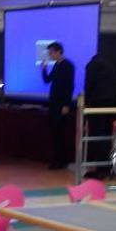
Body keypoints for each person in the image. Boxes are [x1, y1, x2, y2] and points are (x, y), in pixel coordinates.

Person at [84, 54, 116, 179]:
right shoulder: (112, 67)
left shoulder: (91, 66)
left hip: (96, 105)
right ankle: (106, 167)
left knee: (97, 136)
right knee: (107, 136)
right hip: (111, 106)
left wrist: (86, 105)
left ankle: (100, 170)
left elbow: (89, 86)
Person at [42, 42, 75, 170]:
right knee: (55, 133)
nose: (50, 55)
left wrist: (66, 104)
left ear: (58, 51)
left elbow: (69, 86)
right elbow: (47, 80)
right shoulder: (56, 65)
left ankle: (61, 161)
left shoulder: (68, 66)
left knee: (60, 133)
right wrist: (44, 69)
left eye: (51, 52)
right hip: (53, 103)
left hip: (62, 104)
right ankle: (57, 160)